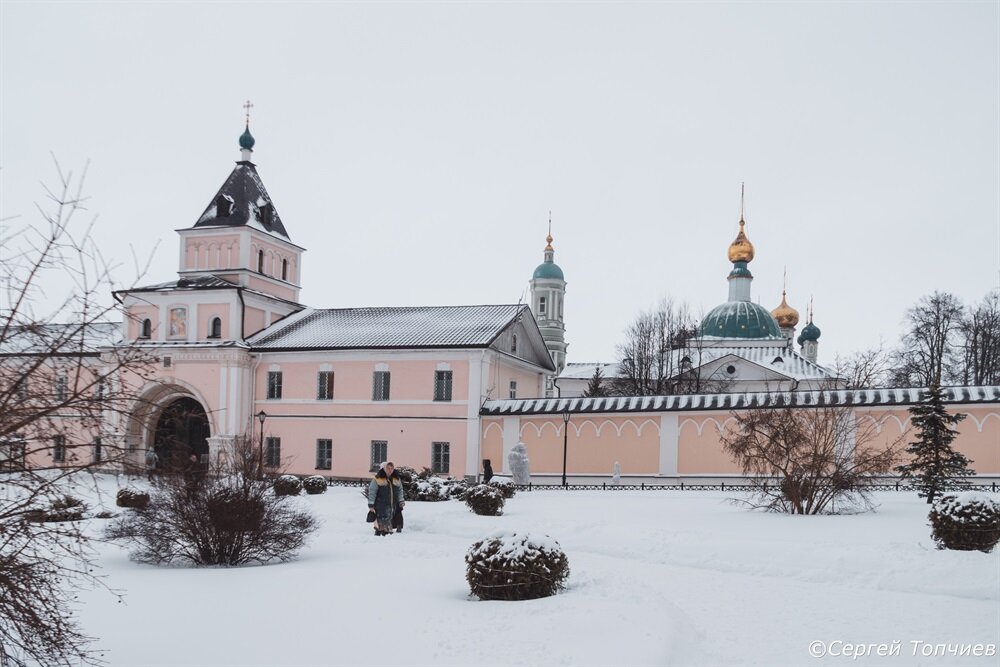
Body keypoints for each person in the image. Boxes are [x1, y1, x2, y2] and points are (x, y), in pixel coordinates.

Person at [367, 461, 405, 536]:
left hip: (392, 504)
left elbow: (400, 490)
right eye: (388, 468)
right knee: (382, 519)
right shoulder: (378, 479)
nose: (390, 470)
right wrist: (371, 503)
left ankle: (386, 532)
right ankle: (380, 533)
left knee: (390, 517)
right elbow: (372, 491)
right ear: (384, 469)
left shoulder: (396, 479)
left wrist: (401, 500)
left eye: (391, 468)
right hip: (381, 504)